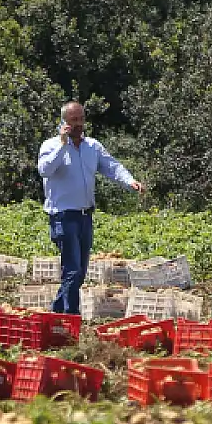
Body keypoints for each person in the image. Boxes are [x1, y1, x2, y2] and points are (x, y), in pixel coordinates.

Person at [36, 101, 143, 315]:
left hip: (85, 216)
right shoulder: (51, 146)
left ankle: (57, 313)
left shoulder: (92, 146)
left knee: (80, 271)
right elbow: (45, 170)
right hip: (63, 216)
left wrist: (130, 181)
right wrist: (62, 143)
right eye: (74, 120)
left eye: (81, 119)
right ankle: (71, 316)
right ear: (63, 122)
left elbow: (112, 166)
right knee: (72, 269)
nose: (78, 124)